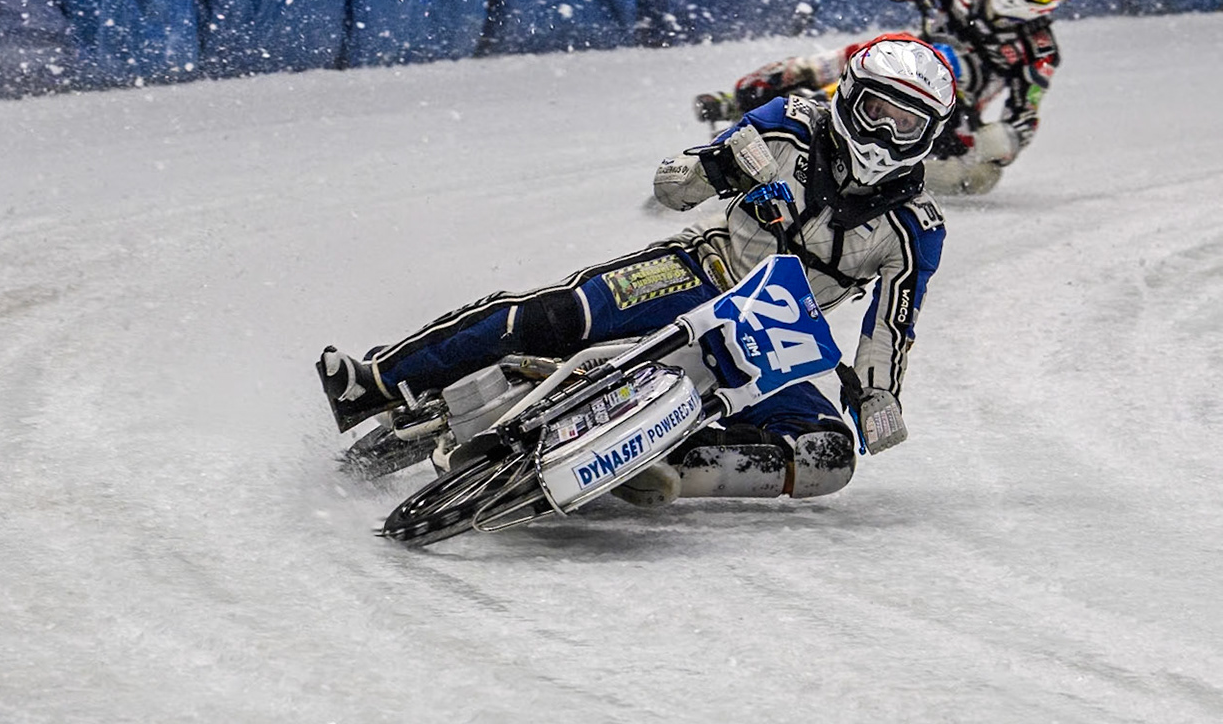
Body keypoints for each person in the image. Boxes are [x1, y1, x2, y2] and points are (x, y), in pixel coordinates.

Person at [319, 35, 957, 507]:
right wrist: (721, 170)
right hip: (700, 270)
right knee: (560, 314)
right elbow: (671, 185)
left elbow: (891, 327)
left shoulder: (916, 228)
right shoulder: (790, 123)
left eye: (909, 124)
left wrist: (878, 396)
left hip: (776, 339)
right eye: (880, 111)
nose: (887, 134)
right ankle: (375, 380)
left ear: (930, 136)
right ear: (849, 97)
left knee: (828, 455)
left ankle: (665, 463)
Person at [693, 0, 1079, 197]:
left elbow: (1025, 117)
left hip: (949, 111)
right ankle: (750, 98)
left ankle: (876, 174)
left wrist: (1001, 141)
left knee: (981, 176)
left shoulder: (1039, 49)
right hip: (902, 54)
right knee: (850, 56)